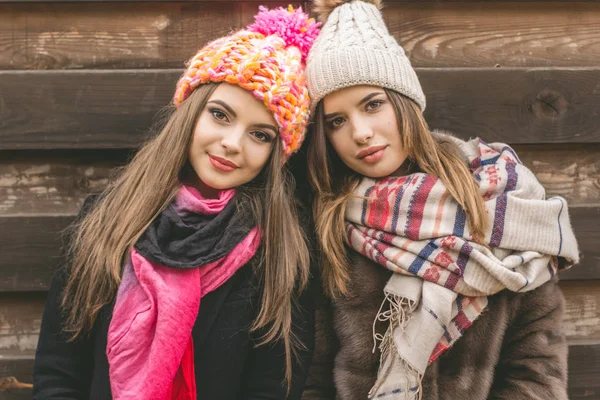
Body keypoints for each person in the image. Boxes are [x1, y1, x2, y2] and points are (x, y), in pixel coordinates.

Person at [33, 6, 320, 399]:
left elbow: (274, 389)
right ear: (189, 112)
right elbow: (59, 373)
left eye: (260, 135)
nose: (232, 143)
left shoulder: (282, 254)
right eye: (220, 115)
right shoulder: (104, 223)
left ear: (277, 153)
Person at [301, 1, 580, 399]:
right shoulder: (333, 222)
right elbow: (314, 377)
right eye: (337, 121)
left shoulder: (500, 200)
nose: (359, 132)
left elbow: (536, 372)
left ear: (405, 102)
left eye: (373, 104)